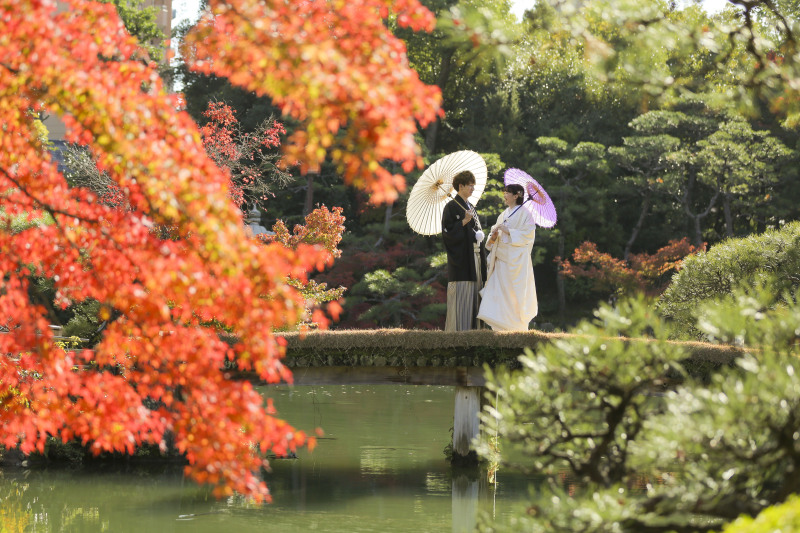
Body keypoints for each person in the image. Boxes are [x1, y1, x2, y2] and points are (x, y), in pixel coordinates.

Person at [477, 184, 538, 331]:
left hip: (516, 262)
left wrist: (509, 231)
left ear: (516, 195)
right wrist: (494, 237)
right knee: (497, 293)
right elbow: (492, 242)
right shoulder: (503, 214)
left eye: (507, 193)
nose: (504, 195)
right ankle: (498, 328)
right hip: (501, 260)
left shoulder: (526, 214)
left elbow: (529, 236)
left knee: (514, 295)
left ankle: (516, 327)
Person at [442, 170, 487, 331]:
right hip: (462, 261)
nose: (472, 189)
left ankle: (476, 332)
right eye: (470, 186)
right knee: (463, 298)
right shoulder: (451, 207)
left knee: (476, 295)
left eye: (473, 186)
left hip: (476, 257)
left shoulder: (470, 207)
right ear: (460, 186)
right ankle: (459, 334)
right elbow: (447, 234)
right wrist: (463, 222)